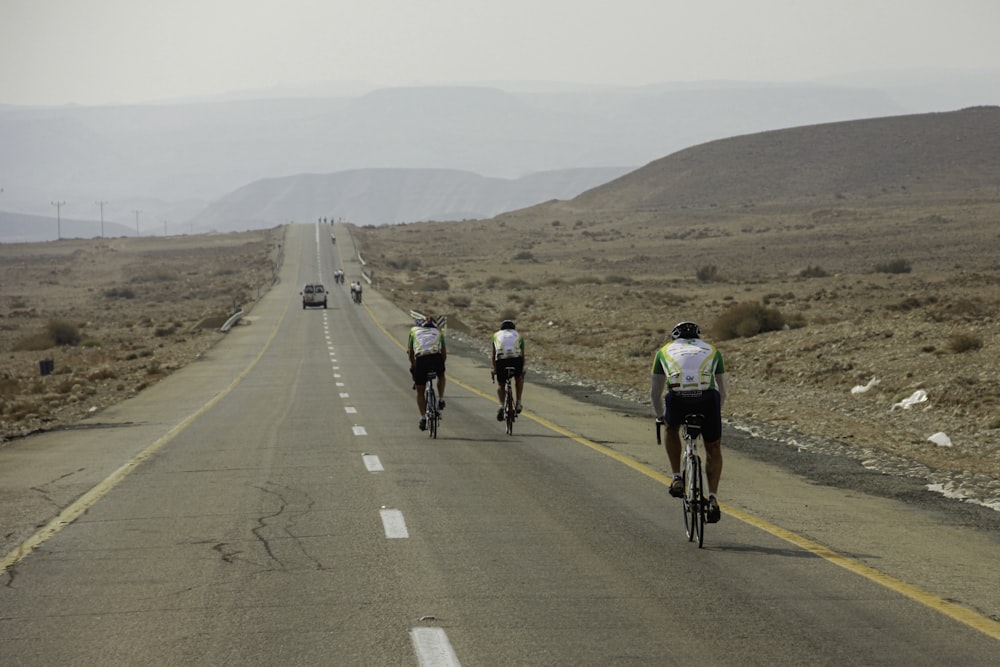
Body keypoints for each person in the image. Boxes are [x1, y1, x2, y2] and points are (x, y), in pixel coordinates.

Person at [650, 321, 727, 523]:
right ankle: (713, 499)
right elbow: (723, 390)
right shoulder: (712, 350)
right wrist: (714, 415)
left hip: (678, 399)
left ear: (675, 337)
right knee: (713, 447)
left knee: (672, 428)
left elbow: (655, 392)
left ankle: (677, 477)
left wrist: (660, 417)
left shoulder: (664, 351)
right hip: (707, 399)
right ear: (698, 337)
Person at [407, 316, 447, 431]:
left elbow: (411, 353)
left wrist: (414, 367)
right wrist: (441, 366)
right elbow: (443, 353)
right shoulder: (438, 332)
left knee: (420, 391)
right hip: (435, 358)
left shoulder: (414, 331)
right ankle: (441, 399)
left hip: (421, 359)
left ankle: (423, 417)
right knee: (441, 375)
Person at [491, 319, 525, 421]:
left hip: (501, 360)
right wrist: (522, 369)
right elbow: (522, 355)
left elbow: (494, 355)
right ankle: (518, 403)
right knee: (518, 378)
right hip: (516, 360)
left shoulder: (496, 335)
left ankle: (501, 406)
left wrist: (495, 369)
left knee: (501, 384)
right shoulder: (518, 335)